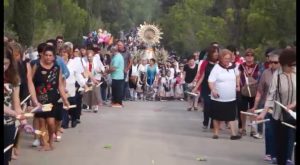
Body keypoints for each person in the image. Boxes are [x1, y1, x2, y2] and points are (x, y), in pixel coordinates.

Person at [256, 48, 296, 165]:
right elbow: (270, 95)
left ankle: (288, 158)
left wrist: (293, 104)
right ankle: (278, 157)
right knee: (279, 137)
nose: (285, 68)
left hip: (293, 112)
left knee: (290, 135)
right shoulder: (277, 76)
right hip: (278, 112)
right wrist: (263, 113)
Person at [27, 45, 70, 151]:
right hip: (39, 99)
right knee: (41, 122)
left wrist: (65, 99)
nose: (48, 57)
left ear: (54, 57)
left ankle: (50, 140)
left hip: (52, 99)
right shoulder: (36, 66)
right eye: (46, 55)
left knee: (51, 122)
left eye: (50, 55)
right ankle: (44, 143)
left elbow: (60, 85)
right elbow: (30, 82)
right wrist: (33, 100)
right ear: (42, 55)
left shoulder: (57, 68)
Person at [248, 50, 281, 161]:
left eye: (275, 62)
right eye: (270, 62)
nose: (272, 64)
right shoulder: (266, 73)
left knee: (280, 132)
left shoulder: (286, 74)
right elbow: (260, 91)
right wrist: (255, 106)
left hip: (282, 106)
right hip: (267, 106)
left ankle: (279, 154)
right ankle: (270, 153)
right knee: (270, 130)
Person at [208, 49, 241, 140]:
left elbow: (237, 75)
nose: (227, 60)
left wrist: (237, 84)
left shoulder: (233, 67)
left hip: (231, 97)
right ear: (221, 58)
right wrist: (213, 90)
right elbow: (210, 81)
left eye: (229, 58)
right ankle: (216, 133)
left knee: (231, 116)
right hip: (218, 97)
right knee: (217, 116)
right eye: (225, 58)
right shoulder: (216, 68)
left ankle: (233, 134)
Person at [4, 43, 26, 165]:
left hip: (8, 123)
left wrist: (21, 117)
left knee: (6, 158)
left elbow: (16, 101)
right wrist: (15, 113)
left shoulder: (14, 77)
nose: (3, 67)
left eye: (6, 64)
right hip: (10, 115)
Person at [193, 46, 219, 129]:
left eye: (217, 52)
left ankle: (212, 123)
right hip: (206, 87)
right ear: (211, 53)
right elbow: (202, 77)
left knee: (214, 106)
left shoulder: (220, 64)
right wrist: (196, 87)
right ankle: (205, 121)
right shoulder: (206, 63)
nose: (216, 53)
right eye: (214, 52)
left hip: (216, 87)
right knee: (207, 104)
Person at [238, 49, 261, 138]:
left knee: (253, 110)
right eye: (247, 55)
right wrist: (238, 86)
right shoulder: (241, 66)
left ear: (254, 57)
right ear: (245, 56)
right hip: (244, 90)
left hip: (254, 91)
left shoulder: (257, 66)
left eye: (251, 55)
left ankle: (253, 129)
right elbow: (238, 76)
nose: (249, 57)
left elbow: (260, 76)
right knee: (243, 111)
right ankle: (243, 128)